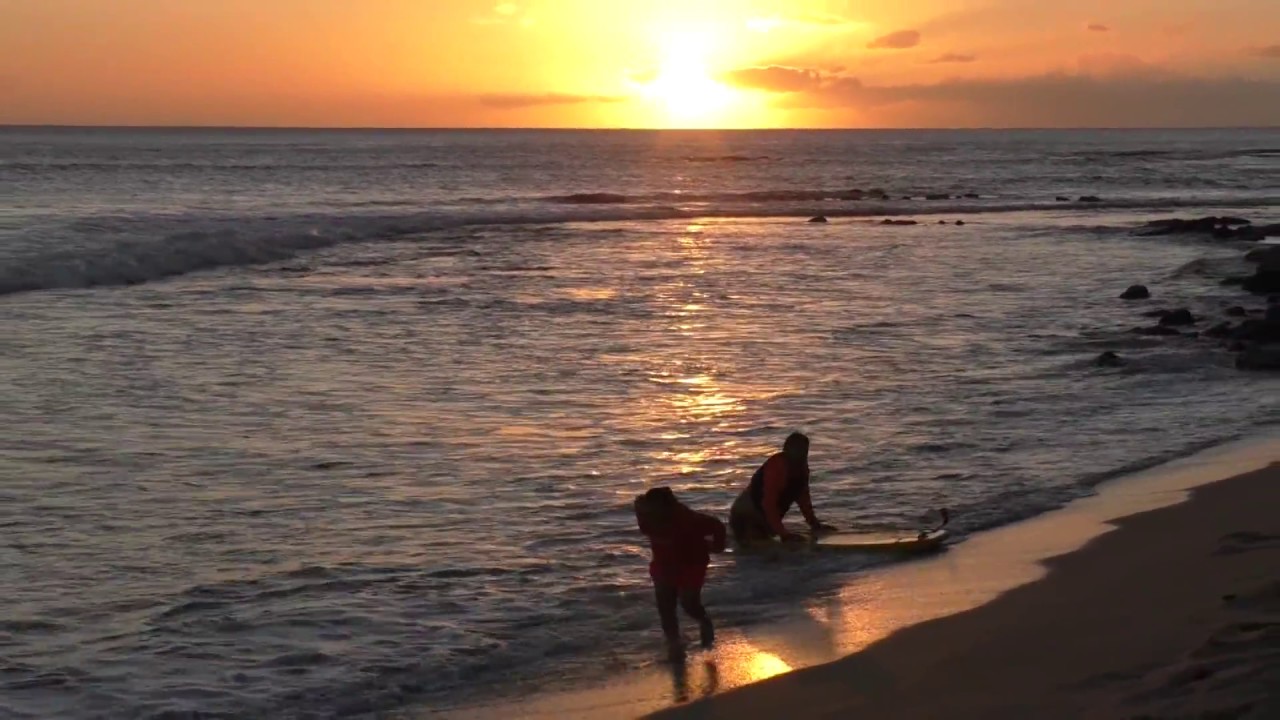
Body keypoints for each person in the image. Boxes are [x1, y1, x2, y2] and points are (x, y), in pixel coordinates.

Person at [634, 486, 727, 660]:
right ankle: (674, 646)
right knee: (665, 606)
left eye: (655, 508)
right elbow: (643, 519)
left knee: (688, 603)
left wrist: (717, 547)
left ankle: (704, 621)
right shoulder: (646, 516)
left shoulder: (688, 519)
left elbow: (717, 525)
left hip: (692, 564)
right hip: (664, 565)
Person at [729, 432, 836, 545]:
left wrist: (814, 524)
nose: (801, 454)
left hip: (765, 518)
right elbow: (768, 504)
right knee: (757, 551)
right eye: (797, 450)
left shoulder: (802, 469)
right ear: (786, 450)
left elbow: (803, 498)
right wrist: (783, 534)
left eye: (803, 450)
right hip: (746, 516)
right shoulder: (776, 468)